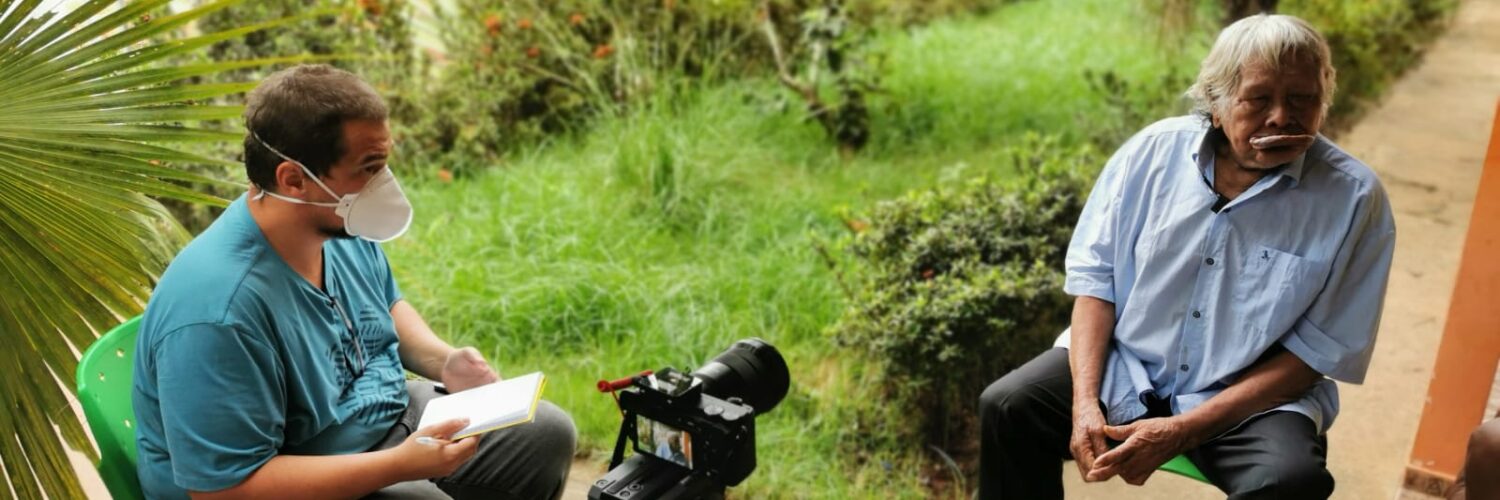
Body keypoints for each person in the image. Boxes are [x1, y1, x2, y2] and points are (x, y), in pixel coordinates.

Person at [978, 14, 1396, 499]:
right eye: (1259, 99)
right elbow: (1097, 284)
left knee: (1289, 483)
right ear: (1216, 105)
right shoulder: (1151, 154)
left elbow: (1313, 355)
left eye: (1303, 99)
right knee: (1007, 408)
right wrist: (1085, 404)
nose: (1282, 116)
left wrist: (1186, 427)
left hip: (1247, 401)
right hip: (1125, 364)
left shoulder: (1354, 199)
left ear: (1323, 100)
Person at [132, 64, 576, 500]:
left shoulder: (335, 224)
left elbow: (380, 305)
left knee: (546, 434)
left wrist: (444, 361)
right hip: (291, 473)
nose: (383, 184)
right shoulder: (218, 314)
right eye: (369, 167)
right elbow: (226, 490)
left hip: (380, 422)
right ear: (294, 179)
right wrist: (400, 465)